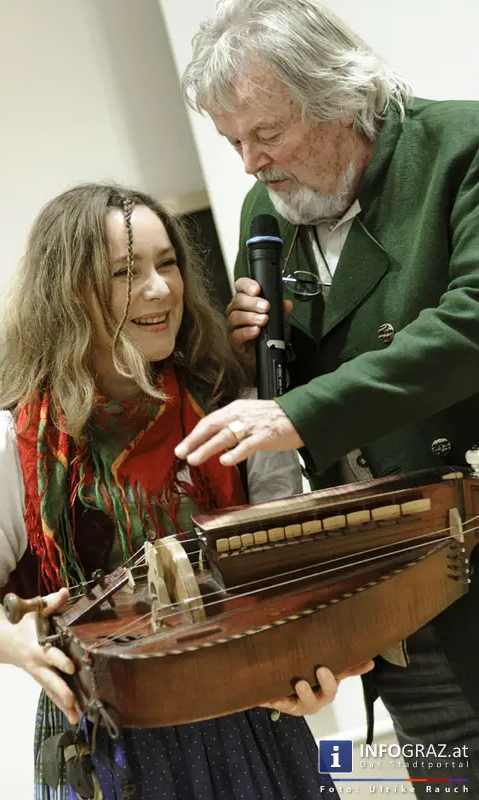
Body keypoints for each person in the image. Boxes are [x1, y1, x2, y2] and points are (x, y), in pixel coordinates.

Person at [0, 182, 371, 800]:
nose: (160, 288)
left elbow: (277, 574)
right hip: (107, 738)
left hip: (251, 716)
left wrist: (302, 666)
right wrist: (20, 644)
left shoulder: (233, 411)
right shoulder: (7, 446)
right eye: (126, 272)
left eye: (167, 263)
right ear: (67, 292)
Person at [177, 0, 479, 795]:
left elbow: (471, 322)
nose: (250, 163)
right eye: (231, 141)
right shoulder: (264, 210)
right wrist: (257, 357)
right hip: (396, 597)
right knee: (447, 778)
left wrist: (294, 413)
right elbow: (305, 388)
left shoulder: (462, 147)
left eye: (266, 133)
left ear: (340, 98)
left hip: (471, 541)